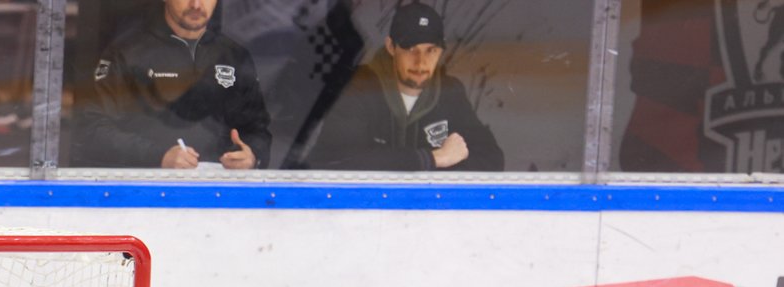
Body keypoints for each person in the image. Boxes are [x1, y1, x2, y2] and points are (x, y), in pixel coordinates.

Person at [305, 2, 503, 171]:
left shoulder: (450, 92)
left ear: (441, 51)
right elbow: (334, 161)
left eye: (431, 50)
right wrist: (432, 159)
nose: (420, 62)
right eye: (410, 49)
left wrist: (429, 170)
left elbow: (491, 159)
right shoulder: (360, 86)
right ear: (391, 47)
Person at [77, 0, 272, 170]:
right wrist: (158, 156)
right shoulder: (127, 52)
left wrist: (252, 156)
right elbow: (91, 128)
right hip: (145, 191)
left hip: (217, 192)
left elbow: (257, 129)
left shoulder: (234, 56)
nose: (196, 4)